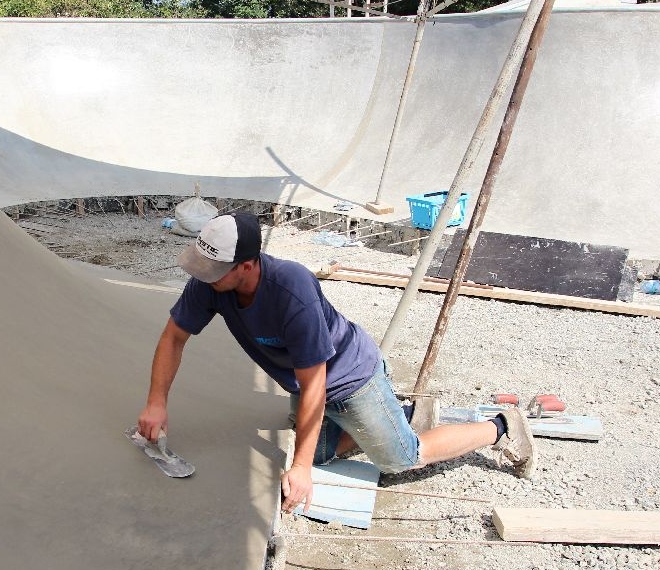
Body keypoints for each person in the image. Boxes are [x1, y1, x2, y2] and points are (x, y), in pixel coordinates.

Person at [136, 212, 535, 513]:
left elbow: (316, 385)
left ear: (246, 265)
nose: (205, 278)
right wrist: (156, 402)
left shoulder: (292, 291)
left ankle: (500, 427)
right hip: (308, 381)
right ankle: (405, 414)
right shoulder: (211, 283)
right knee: (319, 450)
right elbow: (174, 337)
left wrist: (302, 470)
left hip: (352, 378)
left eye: (216, 271)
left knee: (401, 458)